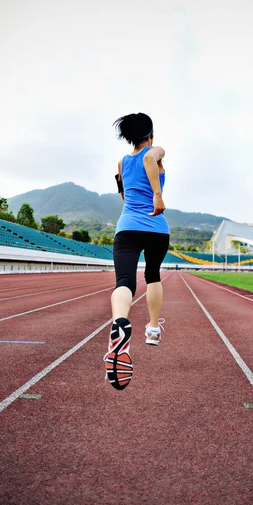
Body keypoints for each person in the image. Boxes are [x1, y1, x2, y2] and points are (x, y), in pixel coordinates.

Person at [103, 112, 170, 390]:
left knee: (125, 282)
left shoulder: (121, 162)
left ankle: (120, 323)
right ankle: (152, 329)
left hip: (128, 226)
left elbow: (123, 193)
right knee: (152, 276)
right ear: (151, 134)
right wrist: (157, 194)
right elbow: (148, 158)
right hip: (156, 227)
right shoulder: (155, 151)